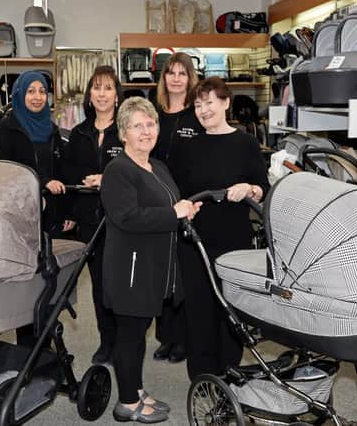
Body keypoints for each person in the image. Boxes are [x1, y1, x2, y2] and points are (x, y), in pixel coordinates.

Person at [101, 97, 201, 423]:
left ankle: (136, 389)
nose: (146, 131)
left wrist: (184, 209)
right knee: (130, 337)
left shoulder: (157, 166)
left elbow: (168, 205)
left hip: (154, 268)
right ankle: (128, 403)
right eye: (137, 126)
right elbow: (128, 217)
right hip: (131, 271)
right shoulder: (118, 170)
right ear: (123, 133)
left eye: (151, 124)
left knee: (139, 333)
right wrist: (174, 212)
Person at [169, 77, 270, 381]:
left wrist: (249, 187)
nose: (203, 110)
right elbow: (177, 191)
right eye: (198, 105)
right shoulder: (187, 146)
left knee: (230, 306)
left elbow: (262, 187)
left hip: (233, 238)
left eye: (209, 102)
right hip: (195, 239)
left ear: (226, 102)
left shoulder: (246, 143)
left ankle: (230, 370)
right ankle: (202, 376)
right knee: (198, 308)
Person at [0, 70, 73, 347]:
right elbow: (4, 174)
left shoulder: (50, 129)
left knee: (48, 278)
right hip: (21, 218)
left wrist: (65, 213)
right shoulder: (7, 127)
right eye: (31, 91)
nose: (38, 97)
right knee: (26, 281)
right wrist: (39, 184)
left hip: (48, 215)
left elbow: (59, 173)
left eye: (42, 91)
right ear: (19, 94)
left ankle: (46, 344)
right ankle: (27, 348)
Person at [61, 65, 124, 365]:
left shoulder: (126, 132)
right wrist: (73, 207)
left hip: (120, 219)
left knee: (119, 283)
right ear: (89, 95)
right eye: (97, 87)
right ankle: (106, 341)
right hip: (88, 220)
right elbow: (69, 172)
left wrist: (106, 178)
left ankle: (124, 340)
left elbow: (136, 172)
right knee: (99, 284)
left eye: (108, 87)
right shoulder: (79, 133)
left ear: (116, 95)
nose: (102, 93)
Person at [150, 52, 204, 363]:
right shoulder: (155, 113)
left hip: (189, 202)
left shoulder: (196, 115)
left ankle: (183, 338)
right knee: (160, 271)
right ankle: (165, 337)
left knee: (185, 273)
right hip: (158, 201)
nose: (176, 78)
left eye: (182, 73)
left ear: (190, 78)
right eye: (170, 72)